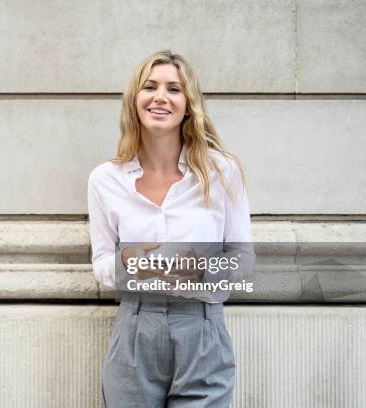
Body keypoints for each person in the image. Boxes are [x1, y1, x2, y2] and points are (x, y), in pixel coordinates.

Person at [87, 50, 254, 407]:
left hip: (202, 330)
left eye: (174, 89)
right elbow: (100, 260)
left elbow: (243, 258)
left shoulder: (223, 172)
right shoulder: (105, 180)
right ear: (135, 99)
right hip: (135, 329)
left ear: (188, 104)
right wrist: (127, 263)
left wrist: (203, 272)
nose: (160, 96)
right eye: (150, 86)